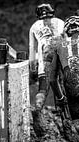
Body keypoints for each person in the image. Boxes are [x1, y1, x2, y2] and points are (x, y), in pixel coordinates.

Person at [29, 3, 64, 134]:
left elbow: (32, 50)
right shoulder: (60, 22)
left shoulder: (34, 26)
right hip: (62, 58)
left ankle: (37, 108)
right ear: (52, 12)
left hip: (44, 61)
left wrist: (33, 69)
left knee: (43, 90)